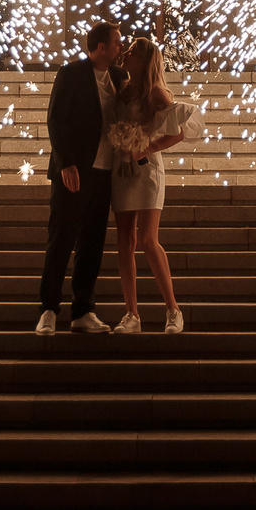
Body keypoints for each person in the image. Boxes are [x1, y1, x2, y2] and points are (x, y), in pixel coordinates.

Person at [102, 37, 202, 334]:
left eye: (132, 52)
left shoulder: (156, 92)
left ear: (144, 61)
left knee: (147, 239)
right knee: (124, 242)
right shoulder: (123, 88)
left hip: (146, 172)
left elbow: (180, 133)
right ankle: (131, 314)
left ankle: (173, 309)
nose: (126, 55)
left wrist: (144, 148)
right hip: (122, 171)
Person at [36, 20, 123, 336]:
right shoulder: (71, 73)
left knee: (92, 244)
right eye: (116, 42)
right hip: (73, 172)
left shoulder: (119, 76)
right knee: (61, 239)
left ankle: (83, 310)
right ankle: (48, 309)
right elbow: (55, 119)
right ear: (101, 46)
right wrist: (66, 163)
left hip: (104, 174)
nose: (120, 47)